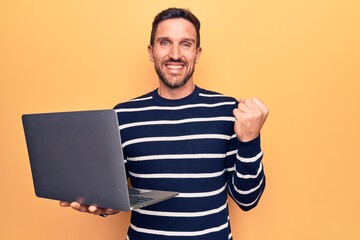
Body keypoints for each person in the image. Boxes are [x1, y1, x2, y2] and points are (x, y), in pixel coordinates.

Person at [60, 7, 269, 240]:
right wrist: (105, 206)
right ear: (151, 51)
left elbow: (247, 199)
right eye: (165, 43)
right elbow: (116, 193)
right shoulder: (123, 115)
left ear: (197, 53)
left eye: (186, 44)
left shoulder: (227, 112)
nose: (176, 55)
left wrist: (250, 140)